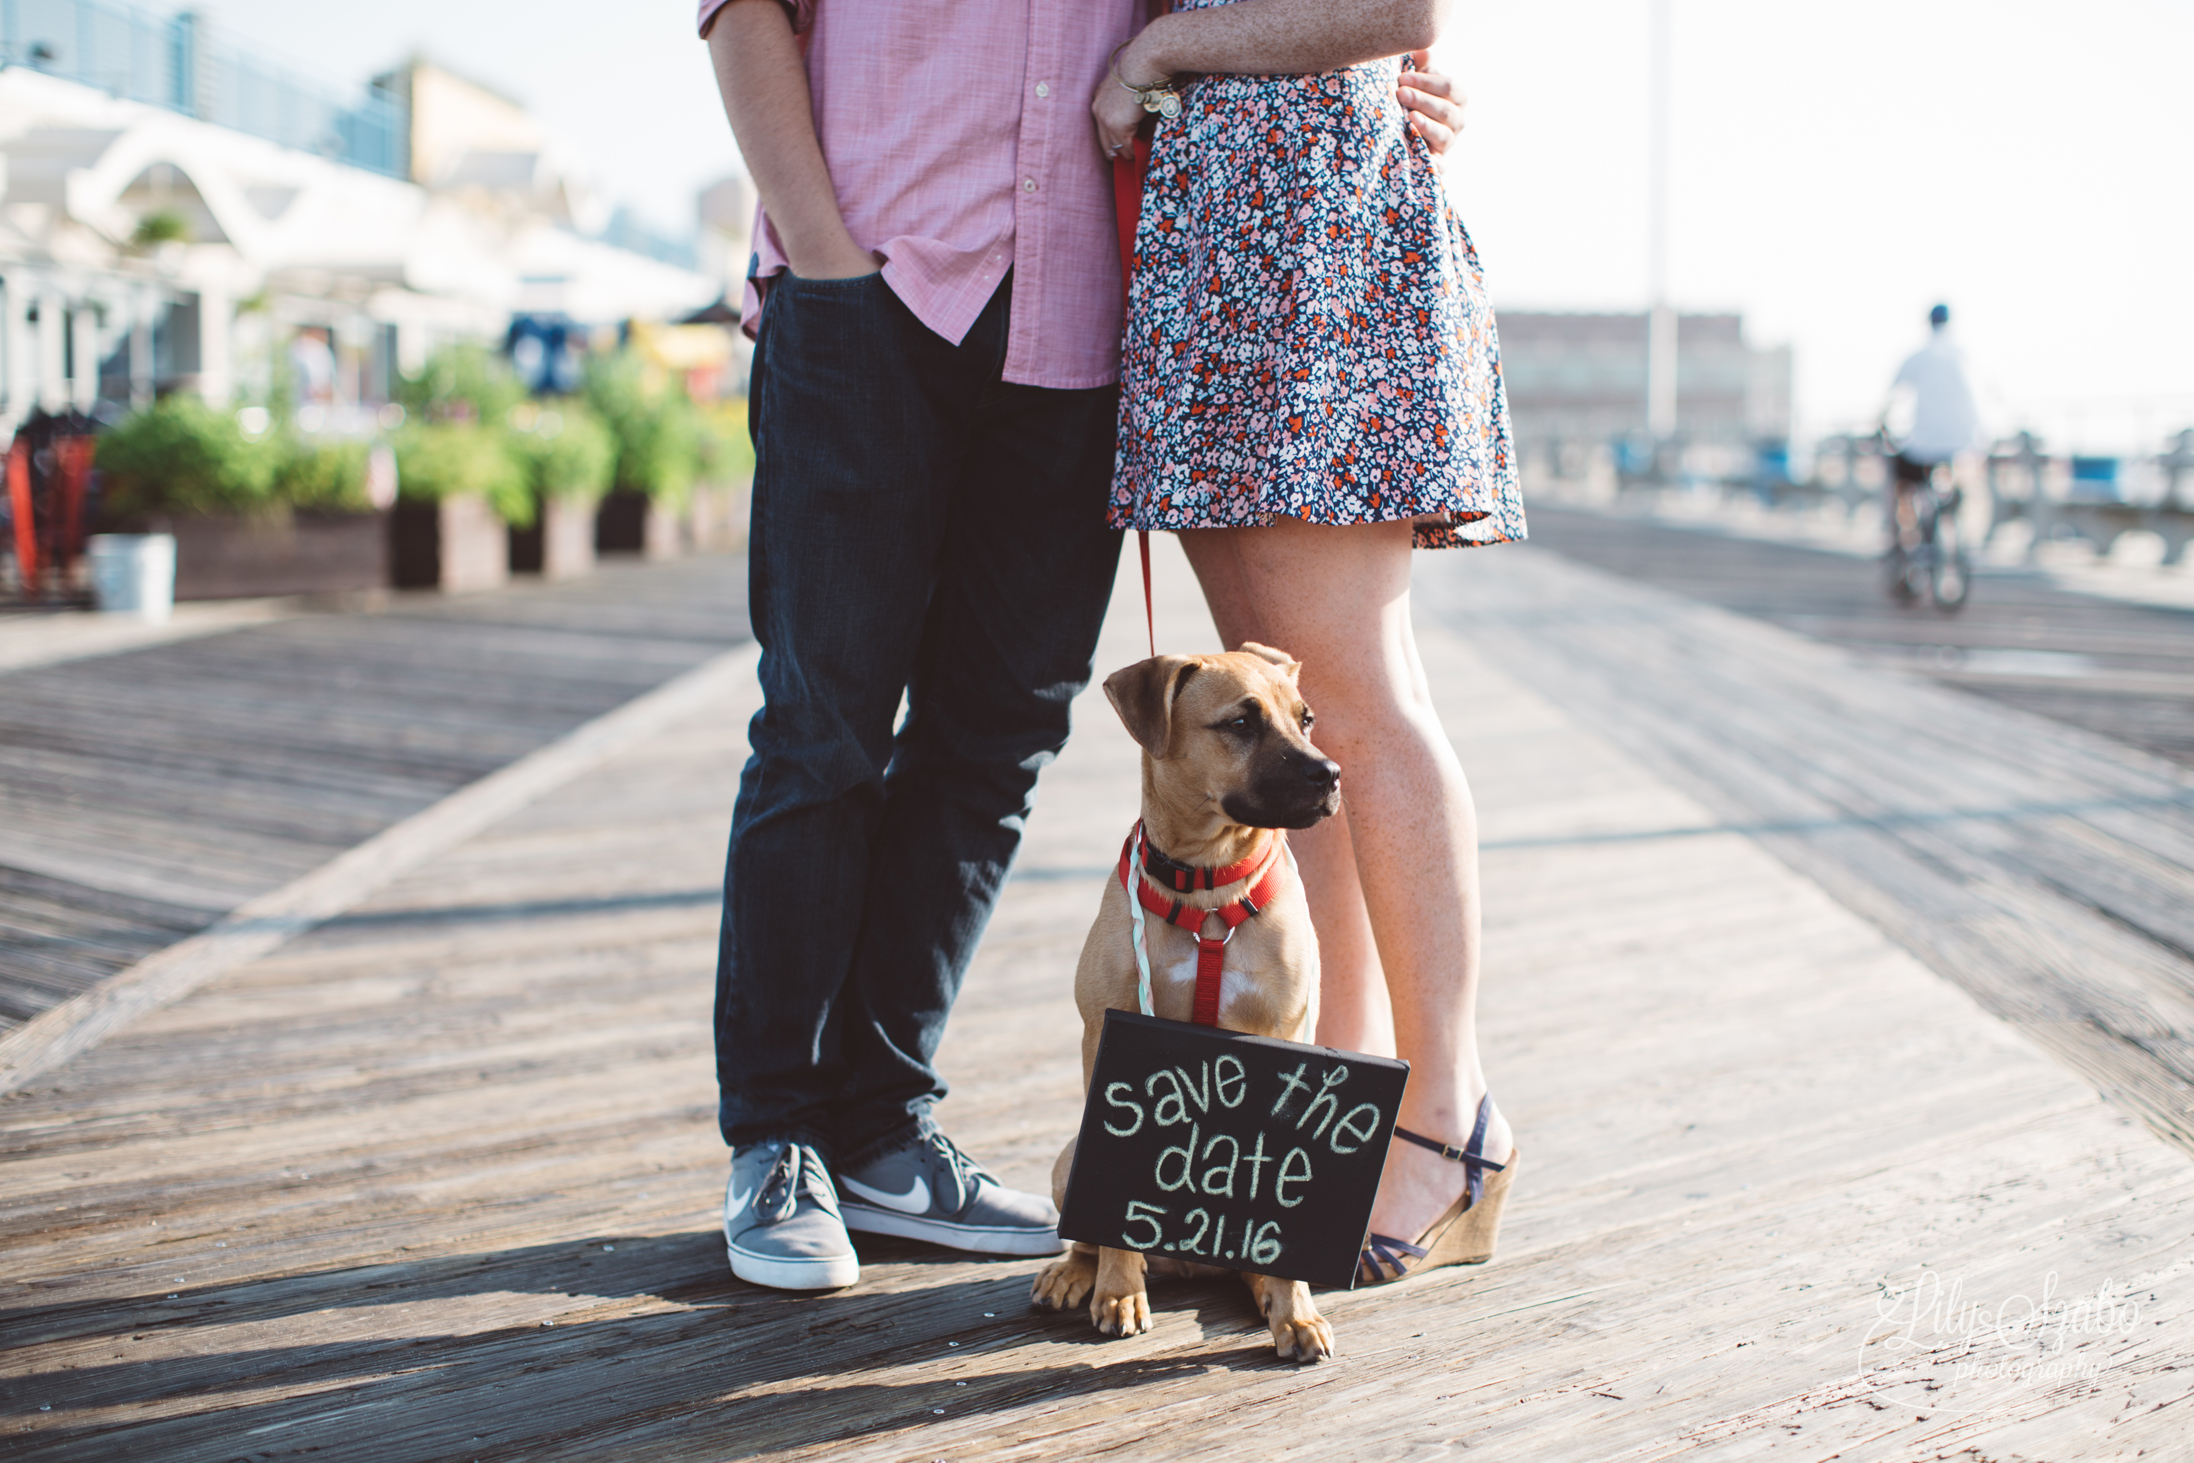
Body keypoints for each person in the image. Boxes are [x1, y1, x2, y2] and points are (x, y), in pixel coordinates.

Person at [696, 0, 1469, 1293]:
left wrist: (1394, 81)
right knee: (820, 732)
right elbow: (742, 14)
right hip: (867, 288)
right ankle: (777, 1137)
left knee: (992, 739)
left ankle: (883, 1131)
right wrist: (823, 258)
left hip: (1074, 333)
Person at [1100, 0, 1524, 1284]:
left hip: (1305, 237)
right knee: (1287, 714)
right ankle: (1331, 1106)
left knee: (1355, 697)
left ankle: (1447, 1126)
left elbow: (1400, 9)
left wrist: (1164, 52)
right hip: (1219, 243)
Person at [1885, 302, 1982, 528]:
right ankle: (1956, 512)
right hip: (1966, 442)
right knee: (1954, 475)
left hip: (1923, 444)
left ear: (1929, 323)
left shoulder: (1919, 355)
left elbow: (1894, 393)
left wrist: (1881, 421)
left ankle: (1904, 529)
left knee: (1902, 475)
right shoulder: (1964, 354)